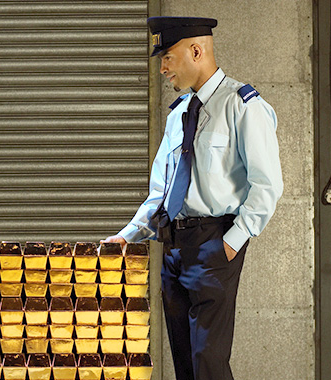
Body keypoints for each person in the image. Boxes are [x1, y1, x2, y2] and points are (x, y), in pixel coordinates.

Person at [103, 17, 283, 380]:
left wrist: (231, 243)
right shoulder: (178, 114)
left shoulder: (242, 105)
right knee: (184, 363)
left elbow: (267, 185)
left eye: (167, 57)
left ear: (196, 51)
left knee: (209, 365)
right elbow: (163, 191)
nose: (163, 69)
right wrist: (130, 234)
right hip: (173, 247)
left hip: (213, 243)